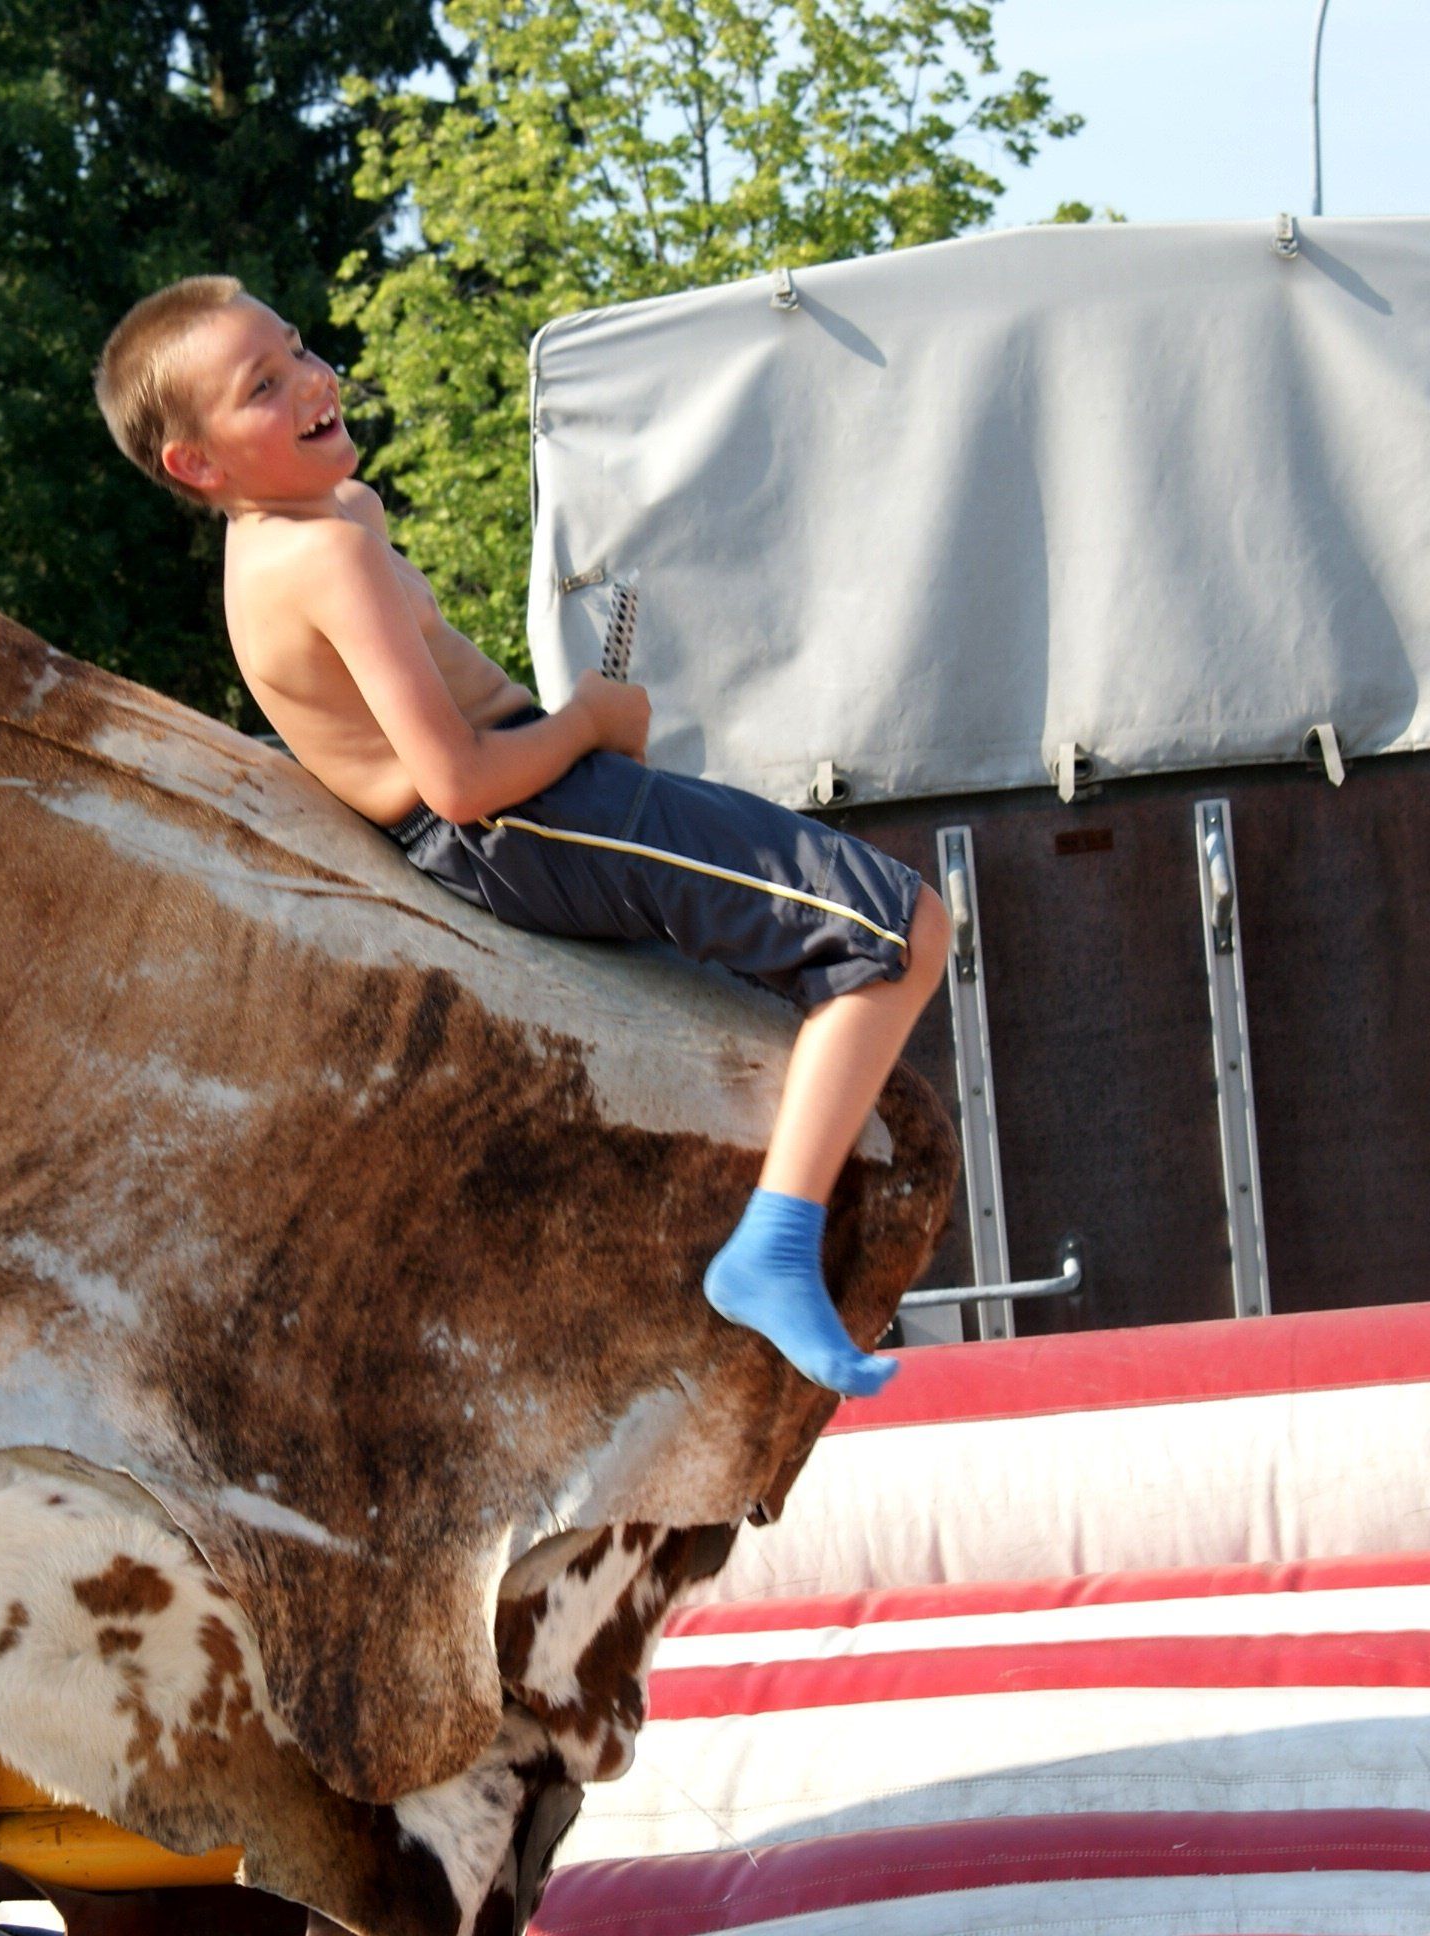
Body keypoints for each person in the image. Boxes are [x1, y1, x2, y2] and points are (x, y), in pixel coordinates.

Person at [92, 275, 950, 1397]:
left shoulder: (322, 525)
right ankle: (773, 1249)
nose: (308, 381)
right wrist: (587, 721)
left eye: (296, 349)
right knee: (896, 929)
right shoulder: (322, 558)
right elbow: (453, 781)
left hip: (533, 800)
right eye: (262, 387)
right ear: (197, 464)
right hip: (518, 824)